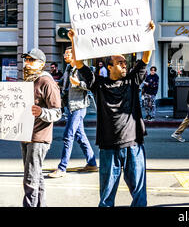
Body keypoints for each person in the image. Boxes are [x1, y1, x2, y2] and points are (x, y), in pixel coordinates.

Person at [67, 21, 154, 207]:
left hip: (134, 144)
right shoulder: (98, 83)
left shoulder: (133, 81)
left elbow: (146, 57)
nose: (125, 65)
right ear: (110, 66)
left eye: (125, 63)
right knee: (106, 197)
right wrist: (74, 40)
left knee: (139, 195)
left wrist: (149, 33)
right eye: (120, 63)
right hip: (108, 146)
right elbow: (80, 63)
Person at [48, 46, 97, 178]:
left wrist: (78, 83)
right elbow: (63, 84)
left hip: (78, 107)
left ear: (75, 55)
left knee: (68, 135)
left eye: (67, 53)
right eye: (64, 53)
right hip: (70, 107)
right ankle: (92, 163)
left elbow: (91, 86)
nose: (65, 55)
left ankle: (62, 168)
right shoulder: (69, 68)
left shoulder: (81, 70)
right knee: (80, 136)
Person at [21, 48, 62, 207]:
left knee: (30, 178)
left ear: (42, 64)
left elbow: (57, 112)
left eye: (32, 60)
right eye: (26, 59)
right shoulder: (28, 80)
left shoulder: (46, 81)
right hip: (25, 134)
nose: (28, 62)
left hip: (39, 136)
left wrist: (41, 112)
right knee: (36, 176)